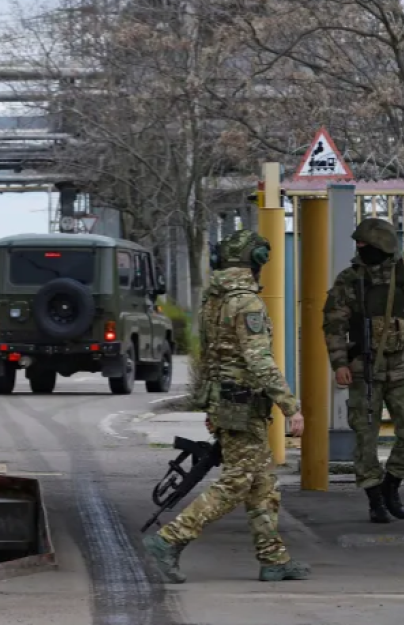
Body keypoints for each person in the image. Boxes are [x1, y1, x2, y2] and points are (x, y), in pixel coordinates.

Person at [143, 230, 310, 584]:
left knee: (262, 483)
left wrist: (210, 406)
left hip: (227, 402)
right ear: (255, 261)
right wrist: (290, 406)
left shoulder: (213, 299)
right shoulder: (246, 301)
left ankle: (274, 560)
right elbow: (259, 360)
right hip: (244, 405)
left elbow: (208, 359)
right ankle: (169, 540)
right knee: (237, 482)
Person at [323, 218, 404, 523]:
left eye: (366, 246)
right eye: (359, 246)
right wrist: (339, 364)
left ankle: (392, 483)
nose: (361, 250)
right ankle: (375, 498)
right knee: (365, 437)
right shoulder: (348, 281)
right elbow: (334, 326)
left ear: (383, 246)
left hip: (402, 367)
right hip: (363, 369)